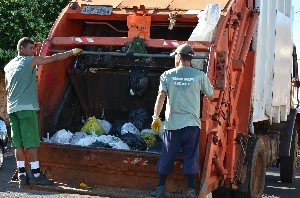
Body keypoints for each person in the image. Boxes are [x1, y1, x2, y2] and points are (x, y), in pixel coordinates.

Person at [4, 37, 82, 186]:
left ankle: (21, 173)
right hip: (26, 108)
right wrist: (72, 52)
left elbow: (8, 88)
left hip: (12, 109)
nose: (34, 51)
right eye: (31, 48)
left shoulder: (8, 66)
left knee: (18, 143)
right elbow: (54, 59)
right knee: (32, 143)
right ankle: (35, 174)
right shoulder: (30, 61)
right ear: (22, 49)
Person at [150, 43, 214, 198]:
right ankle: (190, 191)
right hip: (192, 125)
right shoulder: (200, 76)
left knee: (167, 155)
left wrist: (156, 117)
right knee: (191, 156)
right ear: (190, 58)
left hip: (173, 125)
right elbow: (211, 96)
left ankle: (160, 190)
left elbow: (161, 97)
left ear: (178, 57)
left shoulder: (167, 75)